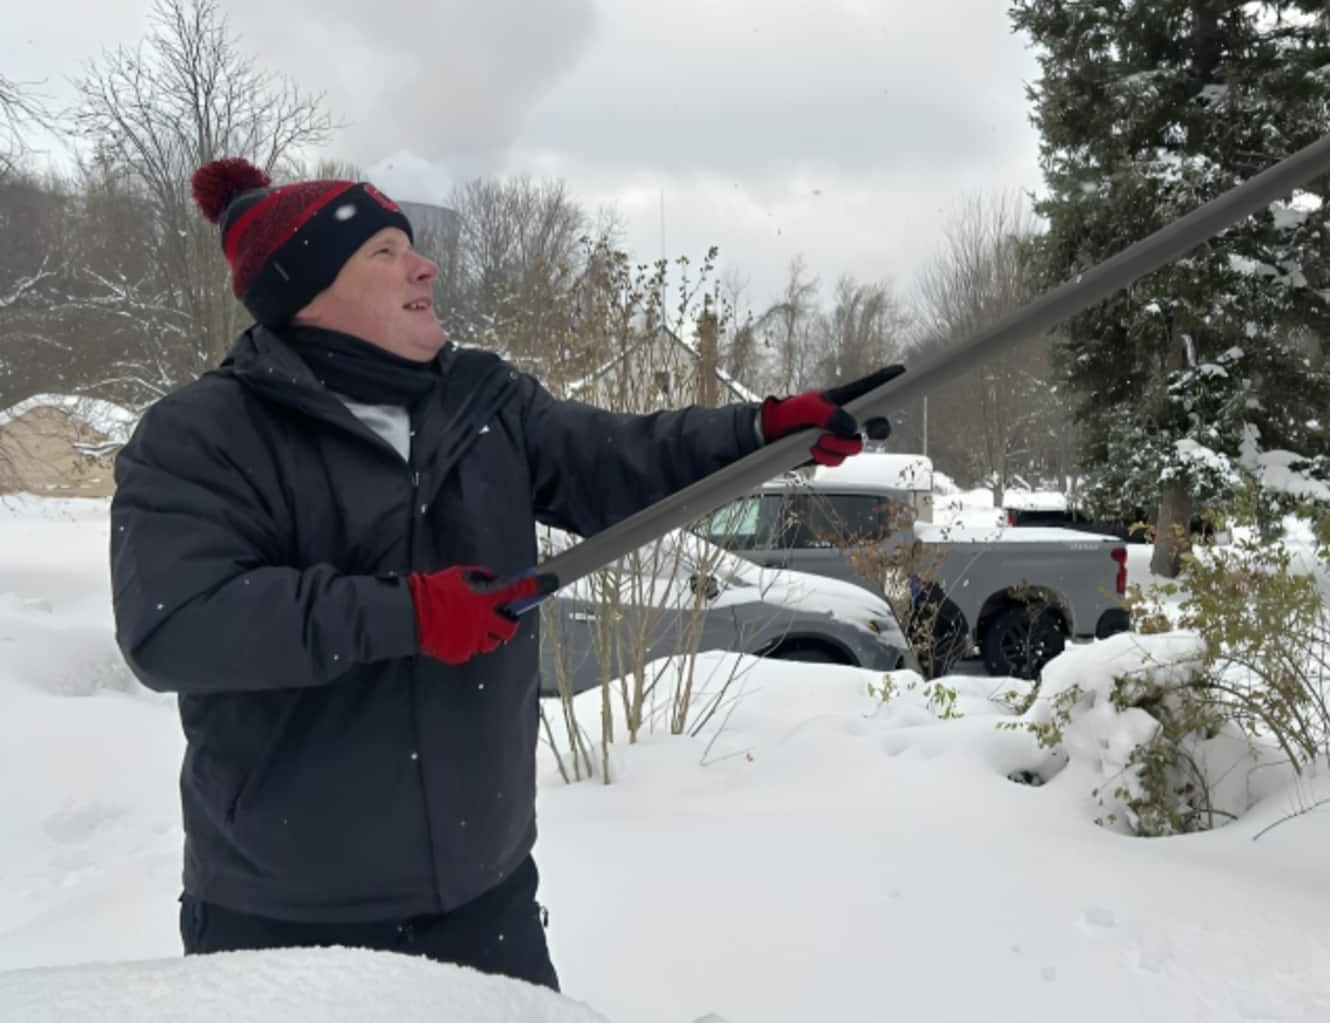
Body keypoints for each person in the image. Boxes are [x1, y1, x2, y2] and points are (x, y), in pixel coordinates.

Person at [108, 157, 898, 991]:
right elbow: (179, 622)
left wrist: (759, 432)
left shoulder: (481, 402)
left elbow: (617, 462)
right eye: (384, 252)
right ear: (307, 288)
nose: (425, 266)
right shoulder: (205, 433)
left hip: (485, 906)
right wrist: (408, 614)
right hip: (284, 921)